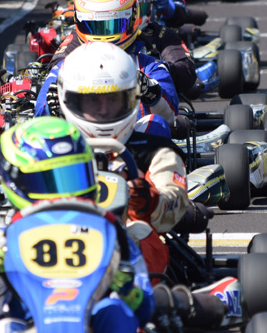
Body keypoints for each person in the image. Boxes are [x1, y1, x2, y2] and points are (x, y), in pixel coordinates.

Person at [0, 116, 154, 333]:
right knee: (4, 326)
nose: (66, 194)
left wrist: (127, 290)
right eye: (51, 182)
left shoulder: (111, 233)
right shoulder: (3, 238)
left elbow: (146, 308)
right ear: (17, 182)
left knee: (115, 311)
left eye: (74, 178)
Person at [54, 41, 212, 273]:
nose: (104, 110)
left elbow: (175, 202)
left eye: (113, 100)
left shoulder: (154, 149)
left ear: (132, 98)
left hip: (132, 261)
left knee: (138, 231)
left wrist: (151, 201)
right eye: (92, 100)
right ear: (70, 100)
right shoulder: (53, 152)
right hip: (59, 246)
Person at [36, 0, 179, 125]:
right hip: (81, 144)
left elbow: (171, 119)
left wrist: (151, 92)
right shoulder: (64, 70)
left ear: (132, 19)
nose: (103, 36)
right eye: (95, 26)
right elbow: (40, 122)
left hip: (137, 142)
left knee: (156, 125)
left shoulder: (149, 67)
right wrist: (51, 110)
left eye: (112, 25)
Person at [99, 0, 198, 99]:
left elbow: (186, 71)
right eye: (120, 11)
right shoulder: (85, 34)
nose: (129, 18)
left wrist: (155, 73)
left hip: (144, 110)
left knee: (181, 118)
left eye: (137, 7)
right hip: (90, 106)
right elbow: (58, 66)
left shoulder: (159, 34)